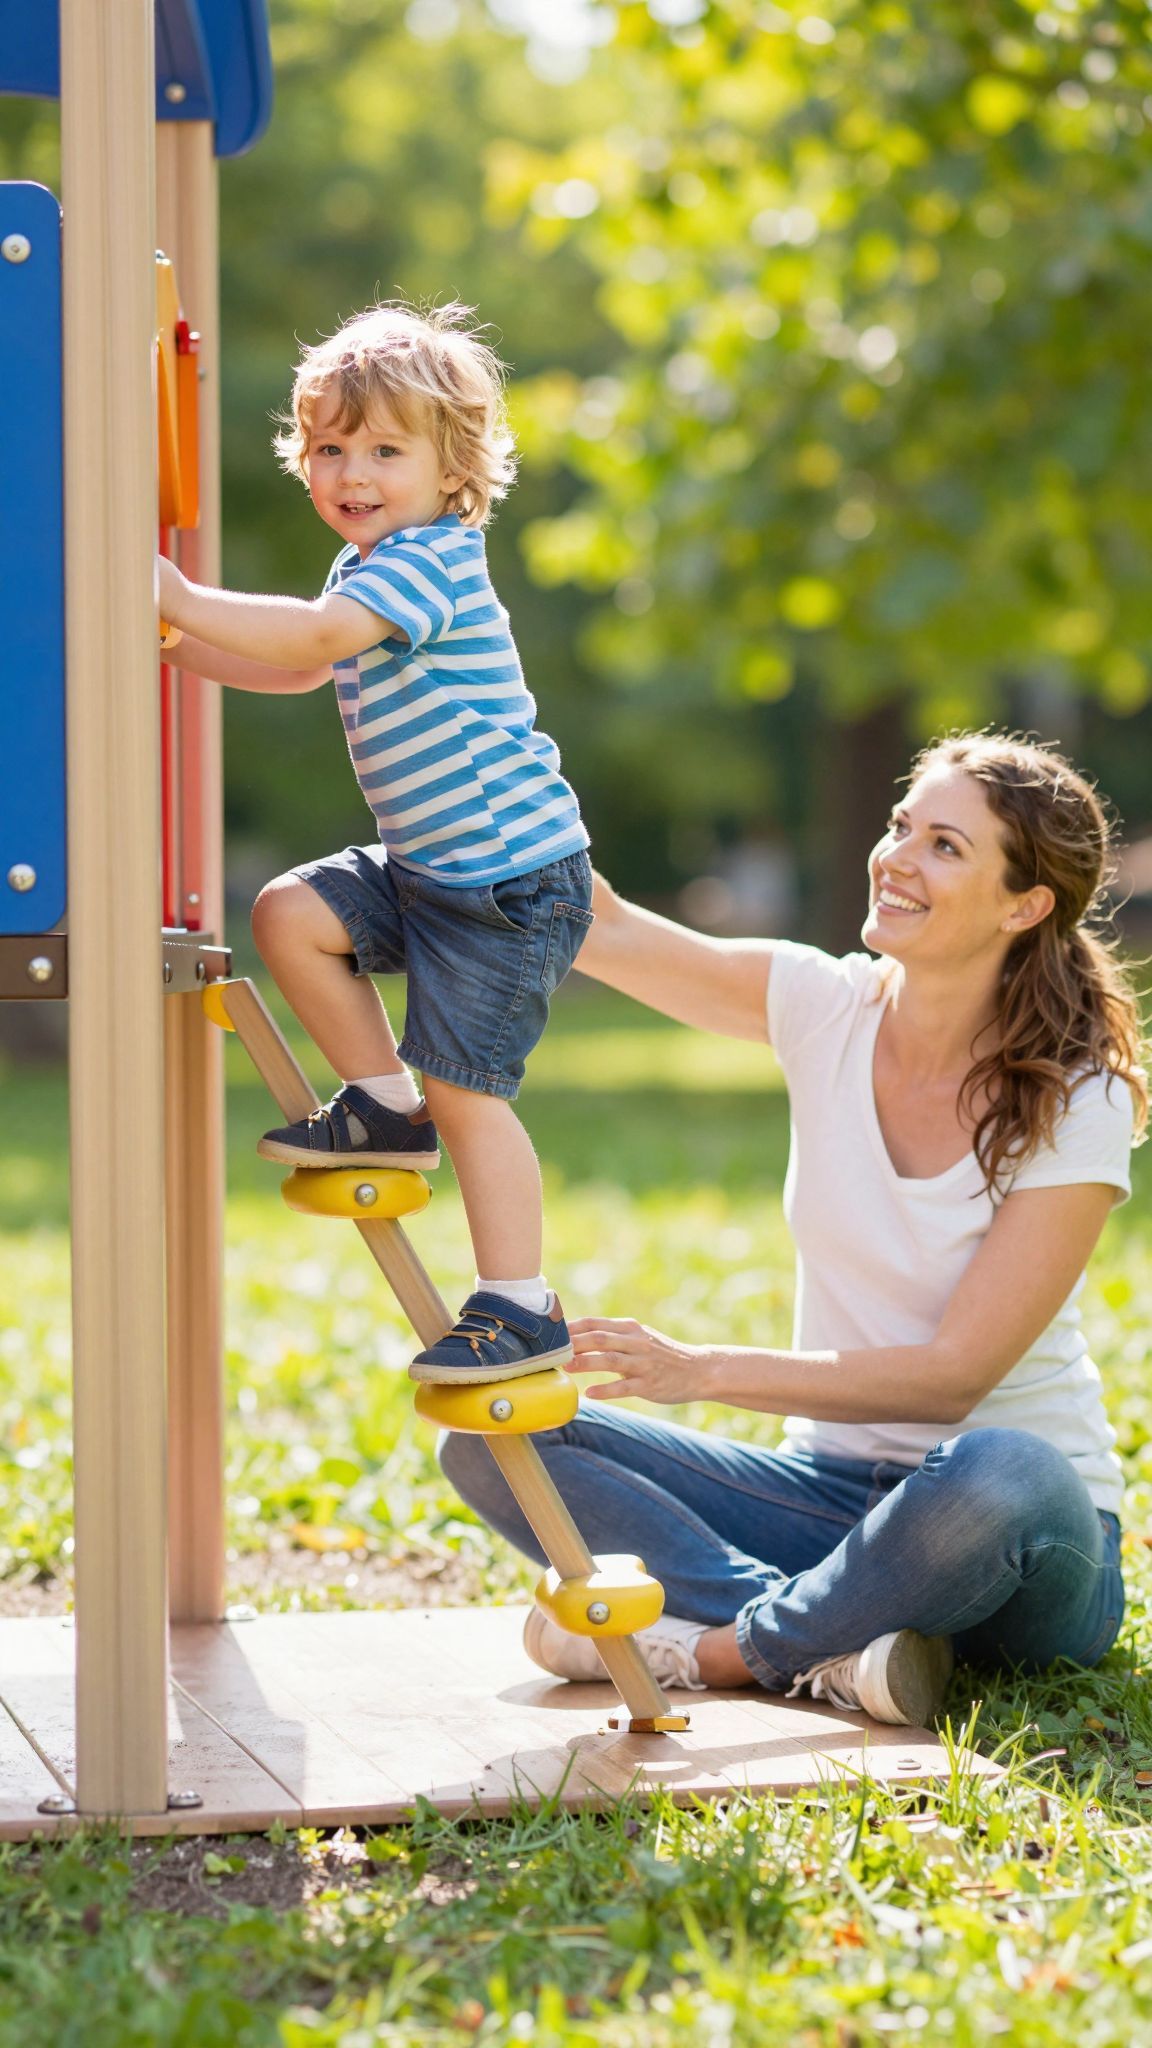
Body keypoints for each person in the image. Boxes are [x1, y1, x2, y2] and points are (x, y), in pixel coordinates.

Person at [440, 734, 1147, 1725]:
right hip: (826, 1502)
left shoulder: (1081, 1093)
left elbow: (955, 1375)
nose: (896, 856)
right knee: (498, 1436)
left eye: (945, 845)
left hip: (1014, 1541)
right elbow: (607, 926)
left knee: (1003, 1467)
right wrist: (477, 734)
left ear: (1024, 904)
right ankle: (837, 1648)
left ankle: (724, 1650)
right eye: (903, 825)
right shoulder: (825, 1005)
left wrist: (701, 1367)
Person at [158, 302, 592, 1383]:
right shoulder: (367, 575)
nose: (352, 471)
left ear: (455, 472)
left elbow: (308, 641)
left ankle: (519, 1304)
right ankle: (383, 1107)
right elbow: (303, 665)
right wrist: (177, 645)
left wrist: (177, 591)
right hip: (432, 872)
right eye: (329, 448)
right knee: (290, 914)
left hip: (509, 882)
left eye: (386, 450)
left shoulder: (430, 560)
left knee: (471, 1089)